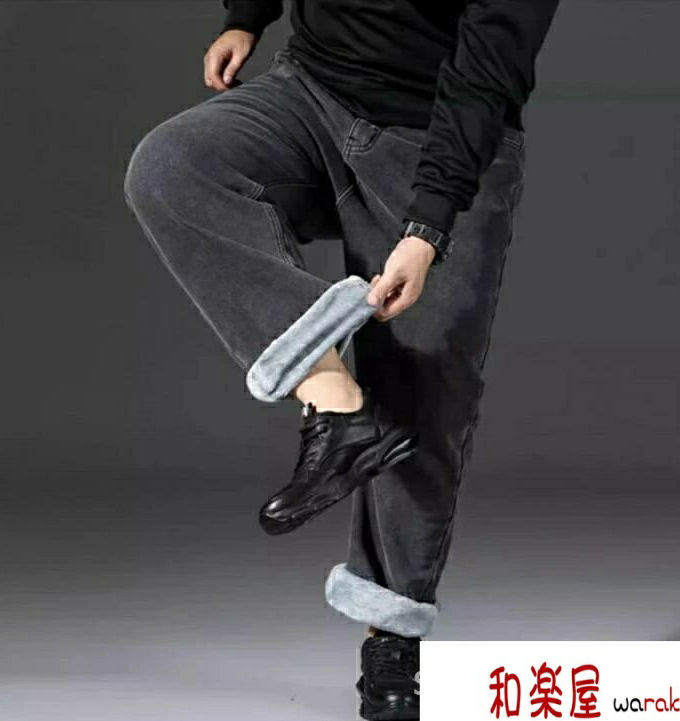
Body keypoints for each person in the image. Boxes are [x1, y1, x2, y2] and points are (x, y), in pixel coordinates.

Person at [124, 1, 560, 717]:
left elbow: (490, 67)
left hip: (440, 135)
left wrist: (428, 227)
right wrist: (247, 14)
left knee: (424, 387)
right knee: (174, 168)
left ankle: (392, 634)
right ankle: (338, 407)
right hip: (313, 91)